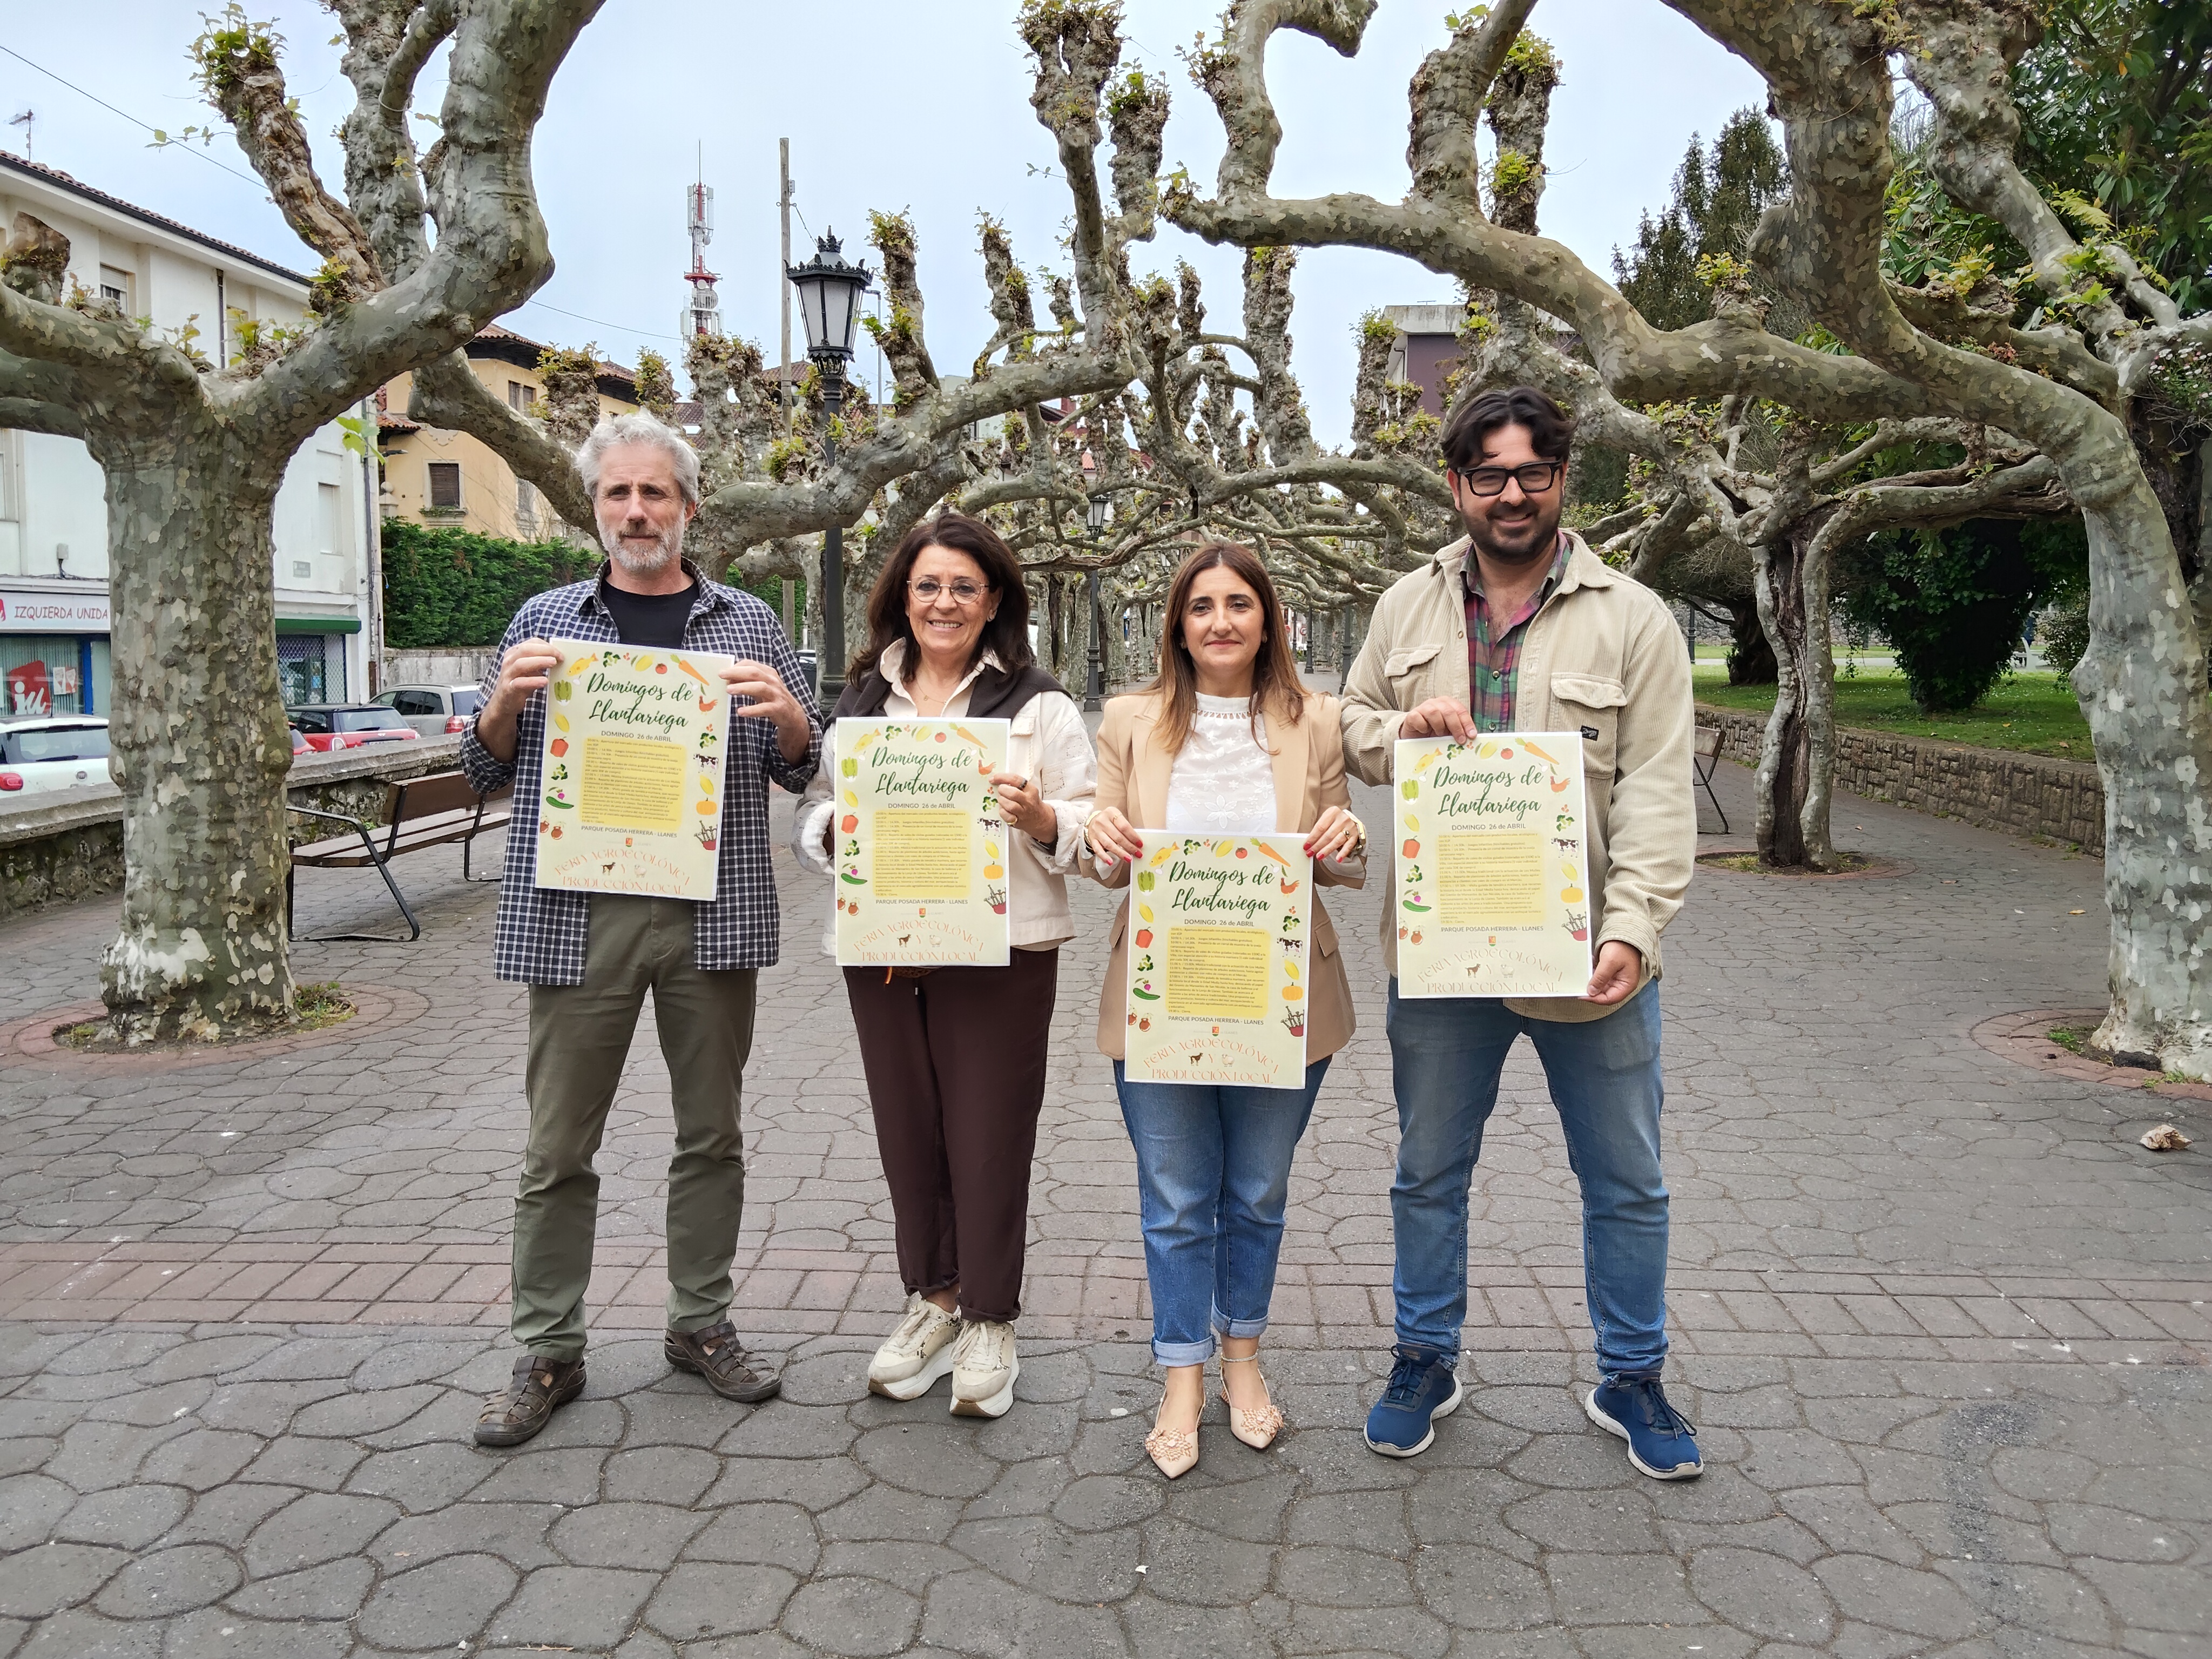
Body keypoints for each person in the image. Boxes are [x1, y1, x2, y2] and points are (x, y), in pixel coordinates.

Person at [1341, 386, 1700, 1479]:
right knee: (1426, 1170)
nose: (1510, 494)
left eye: (1530, 474)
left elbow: (1655, 789)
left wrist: (1632, 930)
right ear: (1455, 486)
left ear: (1559, 483)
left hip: (1588, 956)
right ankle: (1424, 1358)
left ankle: (1630, 1374)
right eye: (1488, 475)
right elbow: (1349, 725)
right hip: (1440, 956)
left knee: (1624, 1179)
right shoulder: (1404, 607)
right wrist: (1399, 724)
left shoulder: (1632, 619)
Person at [462, 413, 820, 1447]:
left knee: (711, 1135)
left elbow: (802, 765)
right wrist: (501, 710)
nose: (636, 512)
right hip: (577, 917)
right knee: (556, 1145)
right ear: (595, 509)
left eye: (655, 493)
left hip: (709, 914)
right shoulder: (544, 622)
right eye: (618, 494)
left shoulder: (748, 625)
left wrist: (792, 722)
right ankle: (549, 1347)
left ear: (690, 507)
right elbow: (488, 770)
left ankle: (699, 1322)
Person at [794, 511, 1094, 1418]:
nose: (945, 602)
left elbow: (1090, 832)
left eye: (965, 586)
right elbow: (815, 811)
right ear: (903, 598)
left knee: (989, 1133)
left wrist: (1042, 819)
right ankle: (932, 1300)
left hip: (1001, 953)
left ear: (994, 599)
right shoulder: (860, 700)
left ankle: (992, 1317)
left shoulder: (1040, 704)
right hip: (883, 948)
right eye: (928, 586)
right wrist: (835, 831)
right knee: (908, 1132)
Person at [1084, 542, 1367, 1479]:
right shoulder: (1129, 719)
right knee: (1174, 1199)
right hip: (1166, 993)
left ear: (1267, 619)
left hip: (1280, 995)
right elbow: (1104, 860)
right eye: (1200, 606)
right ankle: (1181, 1375)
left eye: (1238, 604)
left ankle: (1242, 1360)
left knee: (1256, 1192)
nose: (1219, 621)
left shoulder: (1314, 721)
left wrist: (1346, 831)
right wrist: (1097, 835)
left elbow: (1342, 858)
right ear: (1177, 623)